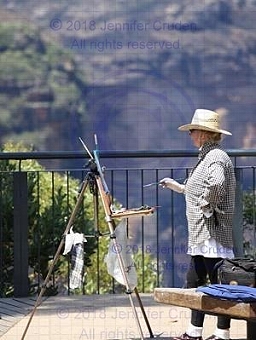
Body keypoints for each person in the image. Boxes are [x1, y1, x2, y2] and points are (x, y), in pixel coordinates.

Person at [159, 109, 236, 340]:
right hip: (202, 235)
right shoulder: (207, 156)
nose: (190, 134)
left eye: (192, 131)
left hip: (211, 233)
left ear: (203, 133)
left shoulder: (215, 157)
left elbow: (217, 184)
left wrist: (206, 205)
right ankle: (195, 332)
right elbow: (200, 188)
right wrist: (178, 187)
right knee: (196, 281)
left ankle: (222, 334)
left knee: (218, 284)